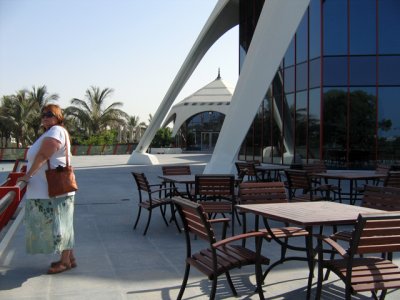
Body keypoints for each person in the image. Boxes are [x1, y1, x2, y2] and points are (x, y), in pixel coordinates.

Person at [17, 104, 76, 274]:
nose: (45, 117)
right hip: (54, 189)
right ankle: (69, 258)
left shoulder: (56, 131)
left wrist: (28, 176)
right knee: (64, 223)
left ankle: (64, 262)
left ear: (58, 116)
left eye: (49, 114)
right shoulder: (53, 131)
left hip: (52, 189)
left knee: (59, 226)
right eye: (42, 115)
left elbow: (44, 155)